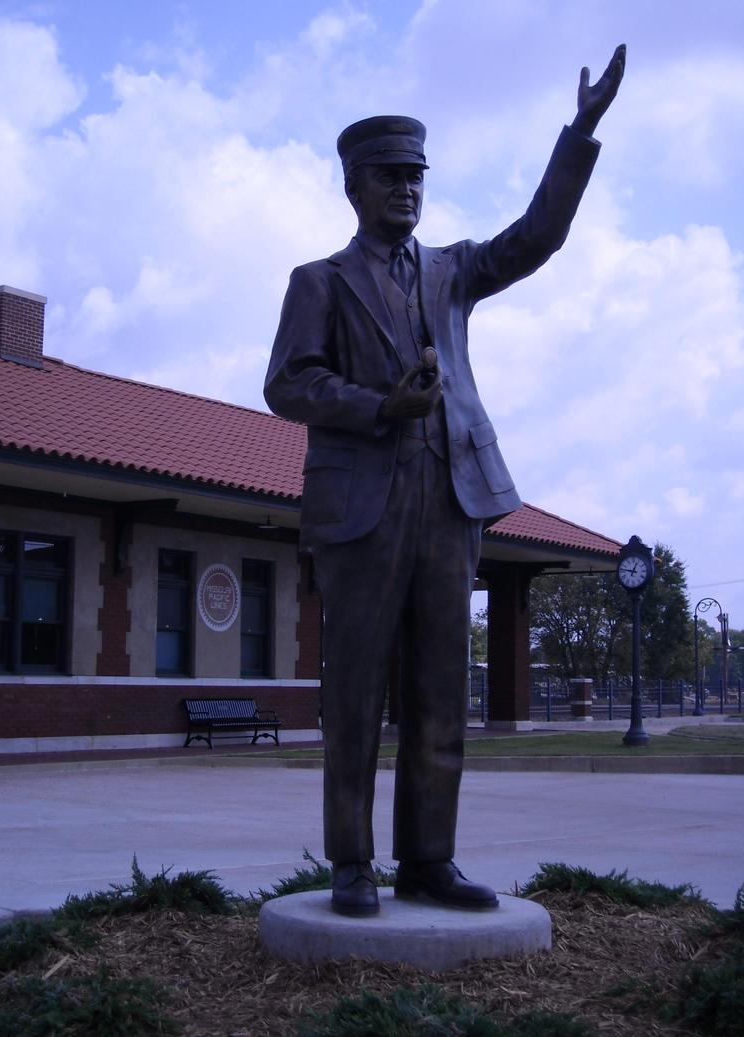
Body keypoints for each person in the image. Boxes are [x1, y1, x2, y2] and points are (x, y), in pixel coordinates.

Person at [264, 45, 626, 916]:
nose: (407, 188)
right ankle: (353, 865)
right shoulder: (319, 282)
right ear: (354, 184)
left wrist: (577, 135)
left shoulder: (451, 269)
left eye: (417, 175)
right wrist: (380, 405)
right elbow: (287, 384)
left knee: (439, 694)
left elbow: (534, 239)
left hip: (450, 501)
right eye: (390, 175)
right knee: (354, 695)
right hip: (362, 507)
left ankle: (429, 860)